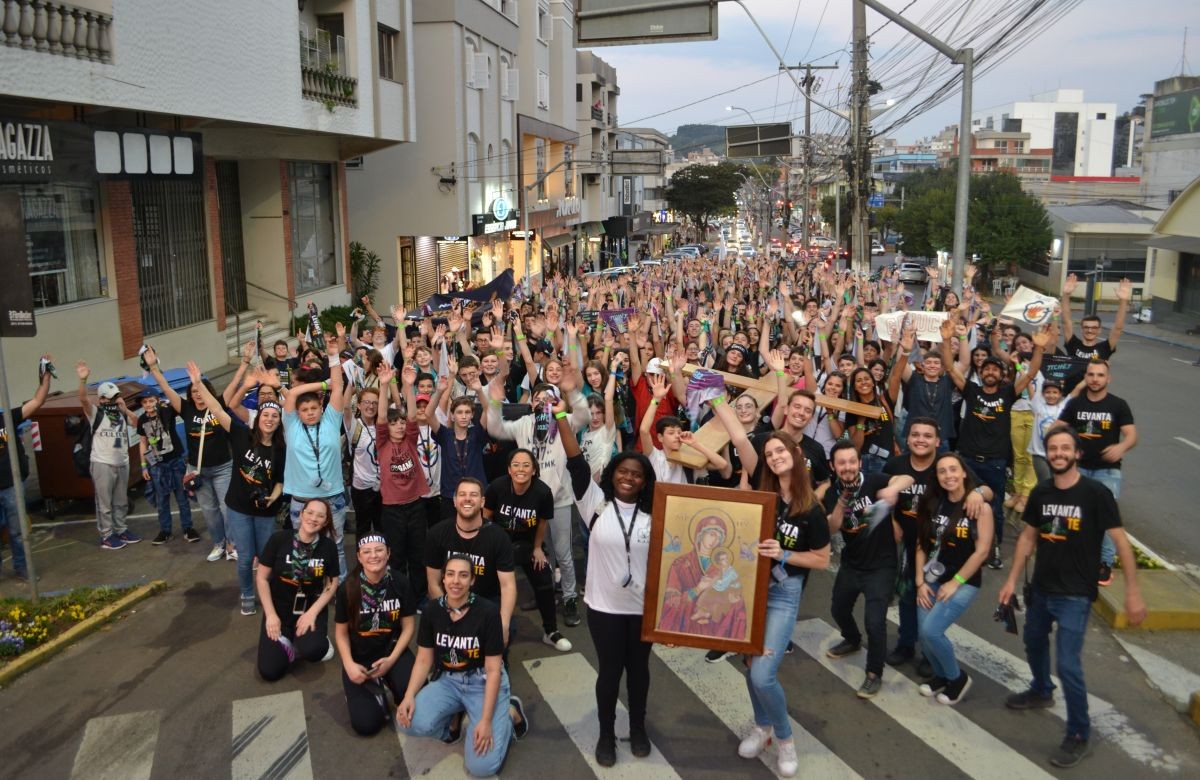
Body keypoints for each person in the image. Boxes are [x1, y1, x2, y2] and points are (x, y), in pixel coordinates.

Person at [999, 427, 1147, 769]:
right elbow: (1027, 538)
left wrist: (1133, 592)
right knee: (1033, 643)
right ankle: (1040, 690)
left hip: (1076, 596)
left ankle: (1079, 733)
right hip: (1041, 589)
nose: (1059, 453)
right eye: (1053, 448)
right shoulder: (1042, 492)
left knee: (1067, 664)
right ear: (1048, 454)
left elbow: (1121, 543)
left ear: (1077, 453)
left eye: (1066, 448)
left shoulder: (1096, 494)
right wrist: (1010, 581)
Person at [728, 428, 830, 779]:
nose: (774, 457)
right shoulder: (764, 493)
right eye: (769, 454)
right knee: (749, 665)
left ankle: (785, 738)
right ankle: (762, 728)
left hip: (784, 593)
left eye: (779, 451)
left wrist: (784, 553)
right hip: (750, 587)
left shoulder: (812, 507)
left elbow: (821, 559)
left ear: (796, 454)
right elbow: (740, 441)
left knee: (763, 673)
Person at [563, 406, 656, 768]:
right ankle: (605, 733)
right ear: (612, 475)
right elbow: (574, 460)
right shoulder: (594, 504)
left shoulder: (655, 514)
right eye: (623, 471)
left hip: (642, 609)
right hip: (604, 608)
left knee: (640, 671)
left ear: (645, 481)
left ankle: (637, 727)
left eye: (636, 474)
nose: (629, 478)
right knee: (610, 671)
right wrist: (560, 414)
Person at [397, 555, 526, 777]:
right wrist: (409, 695)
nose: (456, 581)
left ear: (472, 580)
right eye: (450, 574)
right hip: (449, 680)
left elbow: (494, 669)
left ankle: (509, 713)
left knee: (481, 767)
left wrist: (486, 721)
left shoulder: (487, 612)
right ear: (443, 579)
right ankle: (455, 719)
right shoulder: (431, 611)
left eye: (463, 575)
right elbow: (424, 659)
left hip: (482, 682)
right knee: (407, 723)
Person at [882, 418, 992, 676]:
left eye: (927, 436)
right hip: (908, 543)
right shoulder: (895, 464)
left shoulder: (947, 465)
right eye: (916, 435)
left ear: (937, 441)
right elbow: (881, 494)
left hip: (936, 547)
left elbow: (985, 489)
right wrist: (891, 520)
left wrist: (978, 494)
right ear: (907, 439)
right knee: (909, 597)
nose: (921, 440)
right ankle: (906, 644)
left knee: (929, 602)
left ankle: (929, 653)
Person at [942, 317, 1049, 569]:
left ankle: (993, 547)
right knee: (960, 504)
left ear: (1002, 375)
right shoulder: (971, 391)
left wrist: (1040, 348)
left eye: (995, 370)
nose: (990, 372)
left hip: (995, 463)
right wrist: (947, 340)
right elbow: (949, 368)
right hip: (967, 460)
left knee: (996, 509)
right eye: (986, 369)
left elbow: (1031, 372)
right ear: (981, 373)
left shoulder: (1008, 393)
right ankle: (963, 546)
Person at [186, 362, 286, 615]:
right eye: (266, 415)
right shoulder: (241, 435)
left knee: (265, 557)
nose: (270, 419)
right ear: (258, 417)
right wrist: (198, 384)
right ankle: (247, 593)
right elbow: (218, 408)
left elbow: (281, 482)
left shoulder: (281, 448)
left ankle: (268, 595)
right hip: (238, 508)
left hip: (265, 512)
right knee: (244, 557)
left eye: (275, 416)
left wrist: (271, 499)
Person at [823, 440, 911, 699]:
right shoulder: (831, 493)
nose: (848, 467)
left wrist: (892, 489)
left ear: (859, 463)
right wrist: (841, 502)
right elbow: (831, 529)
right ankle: (851, 639)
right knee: (838, 609)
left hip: (881, 566)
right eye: (842, 463)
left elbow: (906, 477)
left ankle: (874, 673)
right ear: (833, 466)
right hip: (852, 562)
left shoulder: (873, 481)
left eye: (852, 461)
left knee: (875, 622)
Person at [914, 453, 994, 705]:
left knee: (932, 631)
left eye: (953, 470)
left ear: (963, 473)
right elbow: (920, 545)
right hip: (931, 578)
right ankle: (941, 676)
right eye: (942, 471)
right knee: (924, 635)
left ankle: (957, 679)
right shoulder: (932, 503)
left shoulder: (978, 506)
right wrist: (920, 582)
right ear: (936, 477)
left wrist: (956, 581)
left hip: (963, 582)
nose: (948, 475)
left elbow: (982, 551)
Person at [143, 346, 235, 562]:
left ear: (207, 391)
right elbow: (166, 388)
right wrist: (154, 367)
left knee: (227, 508)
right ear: (190, 396)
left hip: (223, 467)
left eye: (200, 390)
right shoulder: (186, 409)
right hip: (197, 470)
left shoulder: (217, 406)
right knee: (210, 511)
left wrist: (246, 361)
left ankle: (232, 545)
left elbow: (233, 388)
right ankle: (219, 544)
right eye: (193, 391)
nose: (197, 394)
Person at [484, 447, 572, 652]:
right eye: (516, 465)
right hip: (499, 545)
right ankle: (490, 631)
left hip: (527, 545)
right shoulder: (497, 487)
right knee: (488, 587)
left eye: (526, 465)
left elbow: (542, 522)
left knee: (543, 579)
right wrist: (486, 546)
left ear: (534, 470)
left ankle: (550, 632)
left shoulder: (542, 492)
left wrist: (537, 547)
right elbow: (485, 517)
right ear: (509, 469)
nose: (520, 469)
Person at [1057, 359, 1136, 586]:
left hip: (1107, 472)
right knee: (1072, 515)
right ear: (1086, 378)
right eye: (1091, 375)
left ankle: (1104, 563)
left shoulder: (1118, 405)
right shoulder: (1075, 404)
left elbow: (1131, 435)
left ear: (1108, 379)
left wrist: (1121, 447)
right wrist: (1066, 448)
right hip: (1078, 470)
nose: (1095, 379)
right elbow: (1057, 428)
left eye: (1100, 375)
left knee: (1107, 518)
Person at [281, 326, 350, 580]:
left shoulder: (331, 419)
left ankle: (338, 590)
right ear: (297, 413)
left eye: (314, 407)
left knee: (336, 548)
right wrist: (321, 383)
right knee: (304, 548)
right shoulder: (292, 425)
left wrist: (333, 357)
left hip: (332, 498)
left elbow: (339, 387)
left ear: (321, 406)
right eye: (305, 409)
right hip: (302, 500)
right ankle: (306, 588)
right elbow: (290, 395)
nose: (310, 412)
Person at [334, 534, 417, 737]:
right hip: (360, 659)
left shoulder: (400, 582)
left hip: (391, 652)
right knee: (367, 725)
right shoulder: (348, 588)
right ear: (359, 557)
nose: (374, 556)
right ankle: (365, 691)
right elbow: (341, 633)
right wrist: (349, 664)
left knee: (418, 699)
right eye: (367, 552)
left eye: (379, 550)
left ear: (388, 553)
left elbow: (408, 627)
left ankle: (392, 683)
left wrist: (391, 660)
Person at [424, 478, 517, 650]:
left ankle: (495, 659)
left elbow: (508, 586)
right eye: (462, 494)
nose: (467, 499)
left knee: (508, 628)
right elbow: (433, 583)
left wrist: (503, 626)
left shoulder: (498, 537)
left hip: (487, 600)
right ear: (454, 501)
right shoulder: (437, 534)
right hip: (450, 599)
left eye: (473, 495)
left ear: (482, 501)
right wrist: (448, 614)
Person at [255, 498, 340, 681]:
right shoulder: (279, 539)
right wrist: (270, 615)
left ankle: (313, 638)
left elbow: (332, 583)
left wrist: (313, 613)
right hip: (279, 610)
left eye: (320, 515)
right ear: (301, 514)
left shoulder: (328, 546)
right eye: (309, 512)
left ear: (325, 521)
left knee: (314, 651)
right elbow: (261, 578)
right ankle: (289, 638)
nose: (313, 518)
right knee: (270, 671)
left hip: (309, 609)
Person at [375, 365, 431, 600]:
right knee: (396, 555)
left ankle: (419, 596)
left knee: (418, 554)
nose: (399, 425)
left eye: (400, 423)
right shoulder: (382, 444)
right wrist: (385, 384)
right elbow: (379, 417)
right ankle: (398, 595)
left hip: (416, 505)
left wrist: (408, 386)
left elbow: (411, 416)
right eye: (393, 423)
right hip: (392, 509)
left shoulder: (410, 439)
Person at [76, 362, 140, 549]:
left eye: (116, 397)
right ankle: (106, 535)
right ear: (102, 399)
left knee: (121, 500)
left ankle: (121, 529)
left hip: (122, 462)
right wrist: (83, 380)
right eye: (111, 398)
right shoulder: (95, 413)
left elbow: (136, 423)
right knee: (104, 503)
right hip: (102, 463)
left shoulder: (120, 413)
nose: (114, 401)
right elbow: (83, 400)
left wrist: (125, 408)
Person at [0, 356, 52, 580]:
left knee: (18, 530)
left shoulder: (6, 418)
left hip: (11, 485)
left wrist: (45, 380)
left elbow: (37, 401)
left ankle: (22, 567)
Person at [135, 388, 197, 545]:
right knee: (162, 500)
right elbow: (143, 442)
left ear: (157, 400)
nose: (148, 404)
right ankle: (165, 531)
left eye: (151, 401)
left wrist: (166, 403)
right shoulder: (142, 420)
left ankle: (188, 528)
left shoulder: (167, 411)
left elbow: (179, 405)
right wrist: (143, 466)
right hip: (157, 464)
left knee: (182, 498)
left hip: (176, 460)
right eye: (145, 402)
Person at [345, 386, 382, 537]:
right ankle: (362, 560)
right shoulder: (355, 426)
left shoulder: (383, 424)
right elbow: (346, 407)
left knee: (382, 527)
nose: (371, 406)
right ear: (359, 405)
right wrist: (349, 385)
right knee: (363, 528)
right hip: (361, 488)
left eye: (375, 403)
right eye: (366, 402)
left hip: (383, 486)